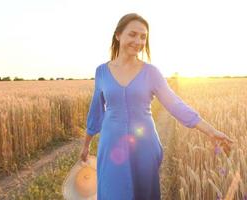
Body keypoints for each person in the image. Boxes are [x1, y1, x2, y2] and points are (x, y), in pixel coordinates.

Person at [80, 13, 234, 200]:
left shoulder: (151, 72)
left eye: (143, 37)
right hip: (111, 146)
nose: (138, 41)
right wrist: (86, 145)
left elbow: (175, 104)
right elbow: (96, 111)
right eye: (133, 34)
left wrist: (210, 131)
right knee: (113, 192)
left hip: (144, 145)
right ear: (118, 35)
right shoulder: (102, 71)